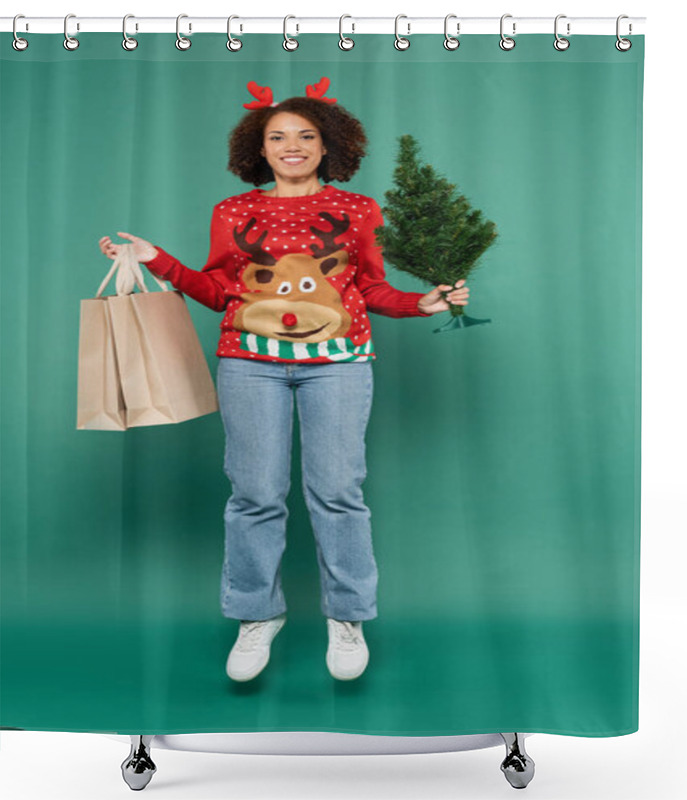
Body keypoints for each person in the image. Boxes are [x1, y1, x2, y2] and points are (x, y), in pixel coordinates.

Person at [98, 76, 470, 683]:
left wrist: (417, 304)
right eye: (277, 137)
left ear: (329, 146)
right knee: (254, 495)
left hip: (340, 365)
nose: (291, 145)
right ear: (260, 148)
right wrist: (156, 260)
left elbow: (370, 289)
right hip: (248, 363)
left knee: (338, 493)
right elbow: (220, 291)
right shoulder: (233, 211)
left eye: (306, 135)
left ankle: (346, 618)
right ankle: (255, 616)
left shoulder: (358, 210)